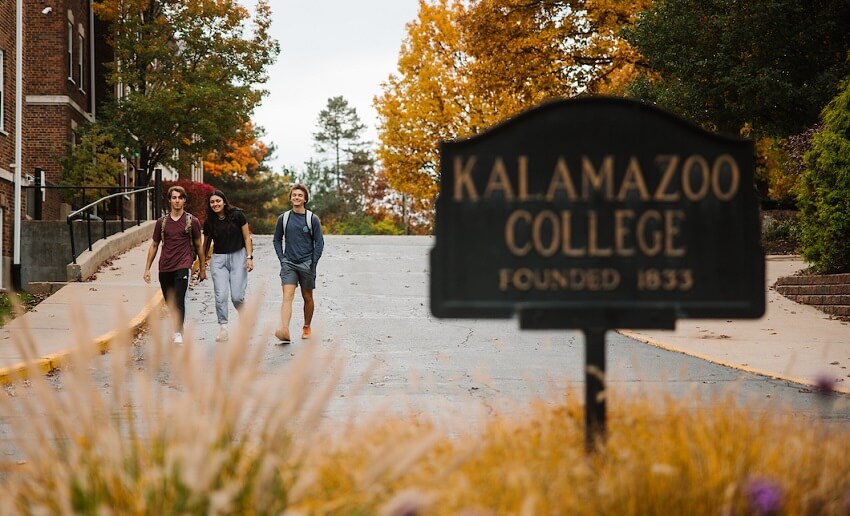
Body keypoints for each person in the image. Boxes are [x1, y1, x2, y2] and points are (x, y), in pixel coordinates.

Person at [144, 185, 206, 344]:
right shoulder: (162, 222)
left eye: (180, 197)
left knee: (179, 298)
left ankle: (178, 331)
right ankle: (177, 325)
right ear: (170, 200)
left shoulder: (192, 221)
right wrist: (147, 269)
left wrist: (202, 268)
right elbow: (154, 245)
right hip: (165, 266)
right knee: (170, 301)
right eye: (174, 197)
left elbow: (199, 245)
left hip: (183, 265)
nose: (177, 201)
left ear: (184, 200)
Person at [272, 183, 324, 344]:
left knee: (307, 297)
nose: (297, 197)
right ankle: (285, 330)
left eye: (300, 195)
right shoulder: (284, 218)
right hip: (289, 263)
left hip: (307, 263)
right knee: (287, 296)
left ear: (305, 199)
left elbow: (319, 243)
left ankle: (306, 327)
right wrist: (282, 259)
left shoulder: (312, 219)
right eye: (294, 195)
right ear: (290, 198)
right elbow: (276, 240)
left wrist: (313, 263)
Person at [202, 189, 254, 342]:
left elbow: (247, 237)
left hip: (238, 256)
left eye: (218, 201)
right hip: (218, 260)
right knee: (220, 296)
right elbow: (205, 244)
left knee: (237, 296)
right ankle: (223, 328)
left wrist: (249, 257)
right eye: (212, 202)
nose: (215, 204)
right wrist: (202, 264)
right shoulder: (209, 221)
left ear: (224, 202)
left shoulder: (237, 215)